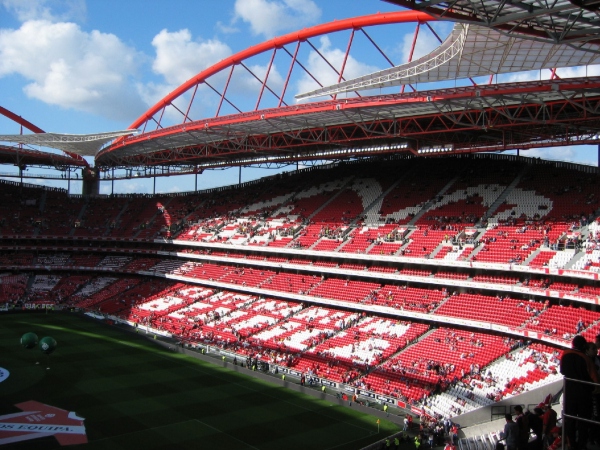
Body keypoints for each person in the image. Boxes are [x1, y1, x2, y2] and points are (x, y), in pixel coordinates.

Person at [560, 335, 599, 450]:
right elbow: (594, 378)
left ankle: (571, 444)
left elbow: (562, 371)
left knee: (570, 419)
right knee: (583, 421)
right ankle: (582, 445)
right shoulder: (585, 358)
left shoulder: (565, 354)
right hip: (584, 394)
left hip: (569, 392)